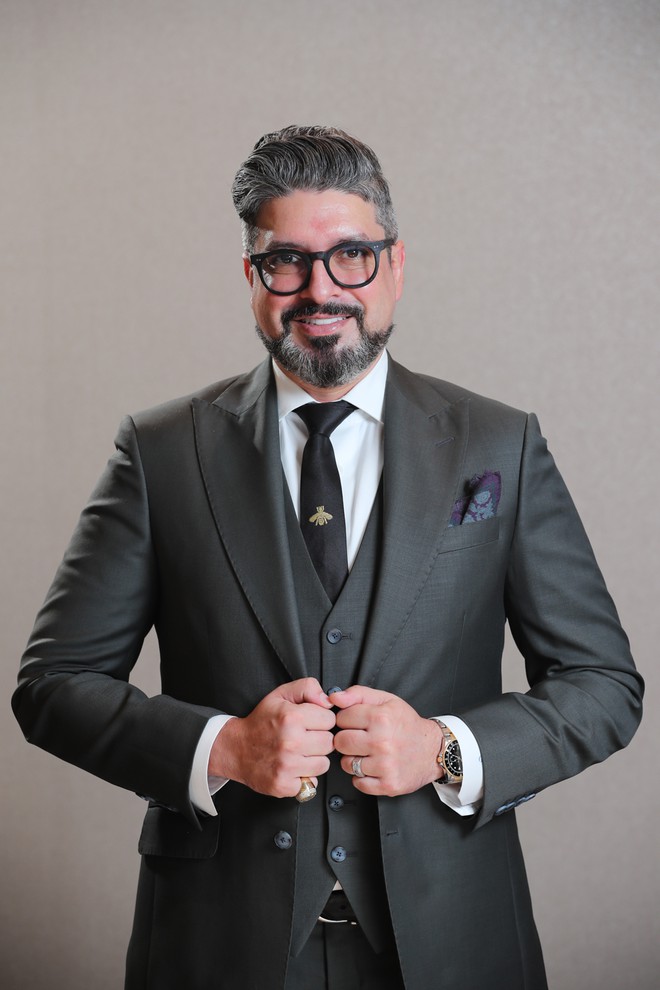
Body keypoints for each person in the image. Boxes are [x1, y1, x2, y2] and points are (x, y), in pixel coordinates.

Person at [13, 125, 643, 990]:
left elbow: (604, 685)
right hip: (217, 946)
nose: (321, 289)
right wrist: (224, 748)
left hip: (455, 940)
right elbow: (53, 685)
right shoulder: (160, 453)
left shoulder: (500, 445)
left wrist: (446, 749)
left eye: (352, 255)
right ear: (251, 276)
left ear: (395, 265)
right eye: (287, 261)